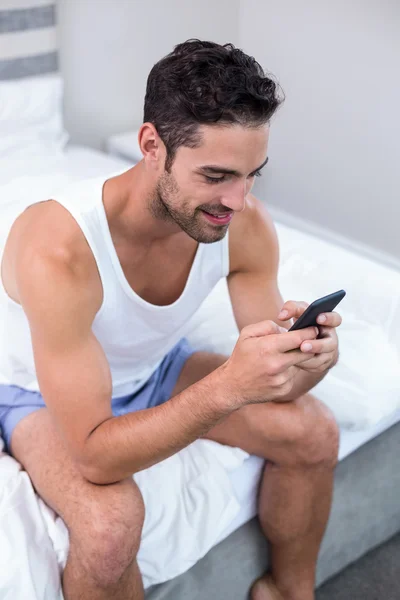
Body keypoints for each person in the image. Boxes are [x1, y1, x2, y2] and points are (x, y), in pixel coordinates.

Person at [0, 40, 341, 600]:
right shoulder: (59, 249)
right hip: (34, 393)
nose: (237, 200)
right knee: (110, 528)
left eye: (252, 174)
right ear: (151, 145)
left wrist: (312, 359)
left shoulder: (244, 224)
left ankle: (288, 591)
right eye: (216, 175)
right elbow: (93, 452)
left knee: (312, 430)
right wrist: (226, 388)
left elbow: (279, 387)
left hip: (154, 371)